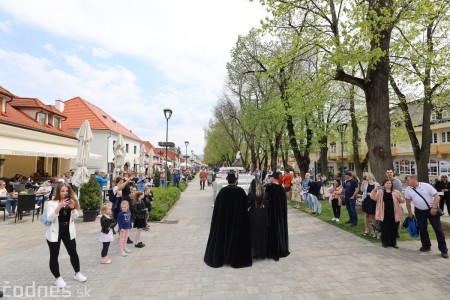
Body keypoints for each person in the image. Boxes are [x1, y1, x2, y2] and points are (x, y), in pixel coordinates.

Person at [204, 172, 252, 268]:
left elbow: (217, 208)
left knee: (223, 237)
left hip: (224, 222)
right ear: (236, 181)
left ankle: (223, 257)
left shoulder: (222, 192)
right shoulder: (240, 191)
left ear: (227, 180)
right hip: (237, 222)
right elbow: (246, 205)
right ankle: (233, 257)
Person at [45, 183, 86, 288]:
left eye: (67, 191)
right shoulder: (52, 203)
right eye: (62, 191)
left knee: (73, 252)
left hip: (68, 231)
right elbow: (49, 218)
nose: (64, 193)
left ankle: (77, 273)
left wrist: (72, 208)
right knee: (54, 255)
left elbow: (76, 217)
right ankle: (57, 278)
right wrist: (59, 206)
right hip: (55, 232)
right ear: (58, 192)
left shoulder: (72, 201)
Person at [405, 175, 448, 258]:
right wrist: (410, 212)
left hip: (432, 210)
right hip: (419, 211)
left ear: (414, 179)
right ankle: (426, 246)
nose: (406, 182)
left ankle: (444, 250)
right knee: (422, 228)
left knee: (437, 229)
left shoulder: (426, 186)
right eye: (406, 181)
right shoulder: (408, 190)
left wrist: (434, 208)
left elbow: (437, 197)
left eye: (408, 180)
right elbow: (407, 202)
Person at [370, 179, 404, 248]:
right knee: (385, 228)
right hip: (384, 213)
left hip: (394, 213)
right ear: (384, 184)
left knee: (394, 228)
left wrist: (399, 198)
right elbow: (373, 197)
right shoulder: (380, 192)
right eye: (387, 183)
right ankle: (385, 242)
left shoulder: (396, 192)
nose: (388, 184)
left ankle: (393, 243)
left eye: (390, 183)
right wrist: (374, 190)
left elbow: (402, 200)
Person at [265, 171, 290, 261]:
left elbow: (266, 202)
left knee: (272, 230)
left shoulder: (269, 188)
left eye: (271, 177)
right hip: (280, 214)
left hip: (271, 213)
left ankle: (272, 249)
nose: (270, 178)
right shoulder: (281, 189)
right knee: (279, 229)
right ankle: (281, 247)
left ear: (273, 177)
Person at [248, 177, 269, 259]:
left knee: (254, 234)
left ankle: (255, 253)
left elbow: (248, 205)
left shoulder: (251, 194)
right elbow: (267, 205)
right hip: (263, 215)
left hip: (253, 215)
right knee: (262, 234)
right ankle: (262, 253)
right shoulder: (265, 194)